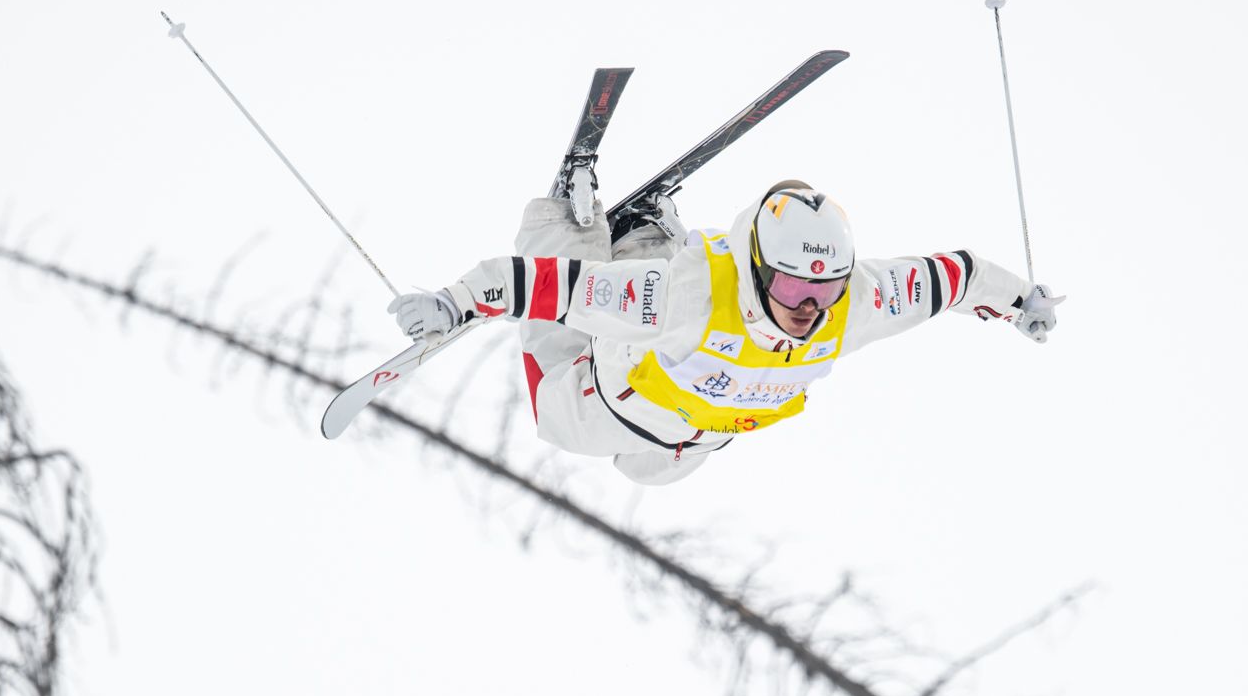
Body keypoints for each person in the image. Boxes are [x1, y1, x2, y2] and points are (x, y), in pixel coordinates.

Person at [387, 181, 1064, 485]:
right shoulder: (690, 298)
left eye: (826, 289)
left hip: (692, 441)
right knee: (556, 403)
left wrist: (1019, 300)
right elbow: (549, 287)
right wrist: (455, 303)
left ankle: (647, 233)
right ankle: (573, 218)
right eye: (797, 287)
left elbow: (956, 276)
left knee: (648, 475)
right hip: (614, 392)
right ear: (763, 266)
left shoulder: (853, 303)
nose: (811, 308)